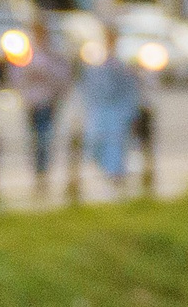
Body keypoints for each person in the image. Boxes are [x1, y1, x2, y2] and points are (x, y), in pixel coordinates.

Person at [75, 37, 142, 190]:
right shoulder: (97, 63)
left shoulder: (122, 64)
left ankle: (116, 175)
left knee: (115, 144)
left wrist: (130, 111)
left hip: (117, 111)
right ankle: (111, 173)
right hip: (100, 111)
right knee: (95, 142)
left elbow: (130, 90)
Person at [12, 21, 72, 193]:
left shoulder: (53, 55)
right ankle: (38, 171)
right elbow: (17, 77)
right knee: (35, 137)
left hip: (48, 101)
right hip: (32, 102)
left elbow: (63, 78)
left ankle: (43, 171)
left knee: (44, 137)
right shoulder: (27, 55)